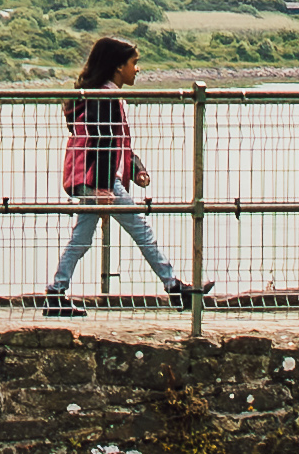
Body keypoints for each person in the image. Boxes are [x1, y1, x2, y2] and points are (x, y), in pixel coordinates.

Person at [43, 31, 192, 313]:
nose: (137, 69)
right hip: (99, 179)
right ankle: (174, 287)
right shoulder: (105, 98)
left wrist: (135, 168)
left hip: (93, 178)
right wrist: (104, 186)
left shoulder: (104, 96)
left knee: (82, 238)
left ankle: (56, 293)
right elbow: (101, 143)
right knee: (141, 230)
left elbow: (115, 142)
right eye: (134, 63)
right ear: (118, 66)